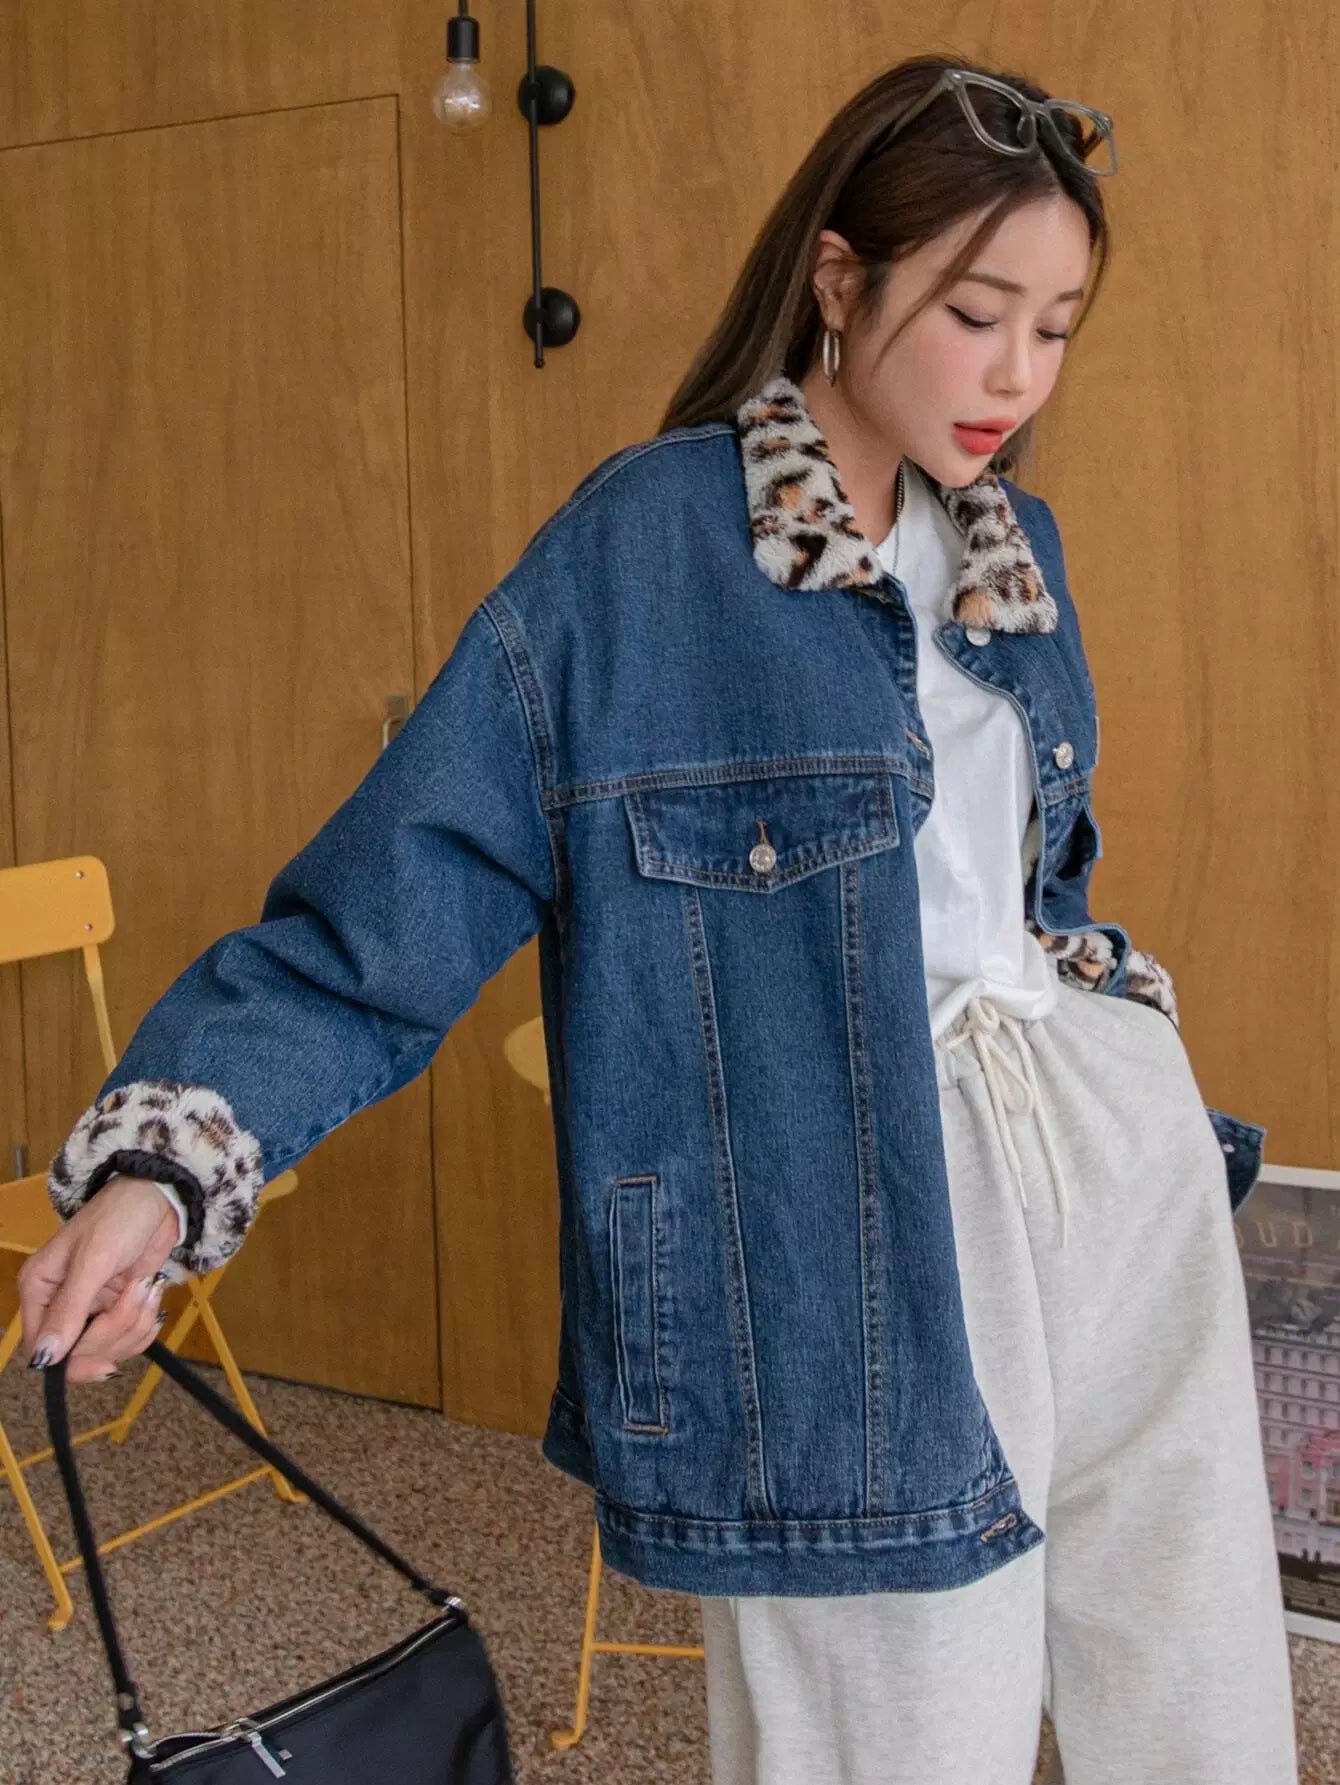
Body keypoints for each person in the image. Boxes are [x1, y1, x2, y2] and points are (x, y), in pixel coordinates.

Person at [20, 51, 1297, 1785]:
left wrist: (1112, 1013)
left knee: (1196, 1695)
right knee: (897, 1738)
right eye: (975, 312)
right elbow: (395, 896)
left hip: (1106, 1173)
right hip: (833, 1247)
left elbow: (1029, 883)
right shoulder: (642, 555)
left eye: (1057, 327)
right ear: (838, 278)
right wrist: (168, 1171)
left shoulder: (1017, 551)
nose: (1018, 374)